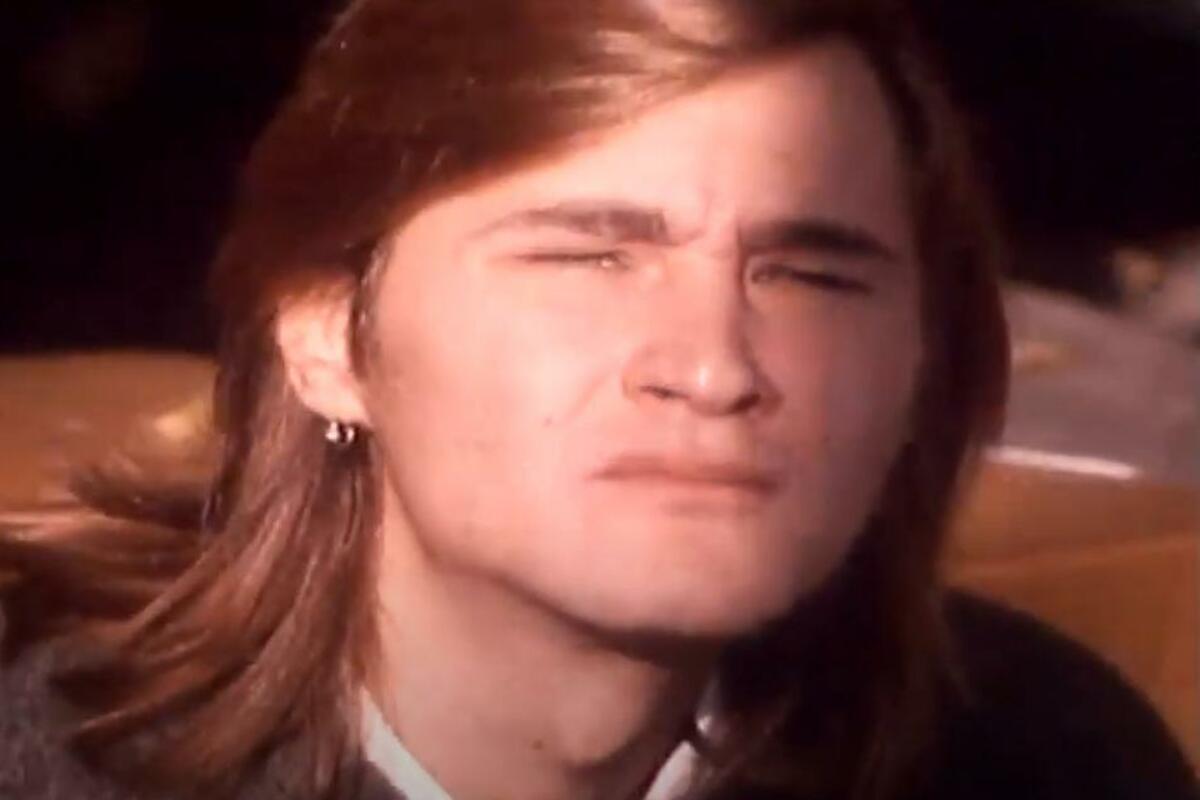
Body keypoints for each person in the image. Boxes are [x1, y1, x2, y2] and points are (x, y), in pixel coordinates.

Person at [1, 1, 1196, 799]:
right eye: (587, 257)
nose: (715, 366)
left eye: (812, 275)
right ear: (327, 338)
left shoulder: (1051, 753)